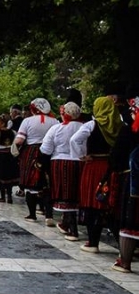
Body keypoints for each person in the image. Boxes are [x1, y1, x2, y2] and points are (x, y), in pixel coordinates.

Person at [71, 96, 123, 253]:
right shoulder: (119, 124)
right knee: (109, 204)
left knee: (92, 202)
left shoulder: (92, 125)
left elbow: (75, 140)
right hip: (112, 166)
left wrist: (81, 156)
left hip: (94, 166)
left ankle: (93, 242)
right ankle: (124, 246)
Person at [39, 102, 84, 241]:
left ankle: (73, 229)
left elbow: (45, 149)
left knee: (66, 195)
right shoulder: (84, 126)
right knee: (76, 193)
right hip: (81, 162)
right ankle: (66, 224)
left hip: (61, 162)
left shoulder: (56, 128)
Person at [15, 98, 59, 223]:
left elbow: (19, 140)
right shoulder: (55, 121)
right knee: (47, 183)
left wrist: (14, 151)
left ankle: (32, 214)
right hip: (49, 153)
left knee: (30, 185)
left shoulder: (27, 121)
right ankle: (49, 215)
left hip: (31, 152)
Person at [111, 96, 139, 272]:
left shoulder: (128, 131)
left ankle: (125, 261)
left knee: (131, 218)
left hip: (133, 180)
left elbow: (116, 157)